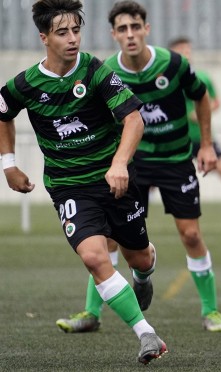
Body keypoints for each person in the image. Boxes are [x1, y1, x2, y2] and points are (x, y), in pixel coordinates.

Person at [0, 0, 166, 364]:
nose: (72, 39)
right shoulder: (26, 83)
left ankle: (144, 272)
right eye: (62, 33)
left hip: (115, 180)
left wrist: (120, 163)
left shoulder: (95, 71)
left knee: (137, 256)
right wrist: (9, 164)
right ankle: (146, 334)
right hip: (68, 186)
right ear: (44, 37)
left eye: (76, 30)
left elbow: (134, 119)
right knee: (93, 256)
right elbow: (2, 111)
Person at [55, 0, 221, 333]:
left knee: (191, 234)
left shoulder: (173, 63)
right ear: (113, 35)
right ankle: (91, 313)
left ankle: (211, 311)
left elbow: (201, 95)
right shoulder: (106, 71)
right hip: (132, 162)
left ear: (146, 29)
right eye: (123, 29)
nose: (130, 34)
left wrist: (206, 144)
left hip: (176, 159)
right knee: (107, 238)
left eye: (136, 27)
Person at [167, 36, 221, 235]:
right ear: (172, 54)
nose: (186, 53)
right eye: (181, 49)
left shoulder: (203, 78)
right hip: (179, 141)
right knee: (153, 182)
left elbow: (215, 102)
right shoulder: (166, 82)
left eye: (188, 49)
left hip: (206, 140)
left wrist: (202, 112)